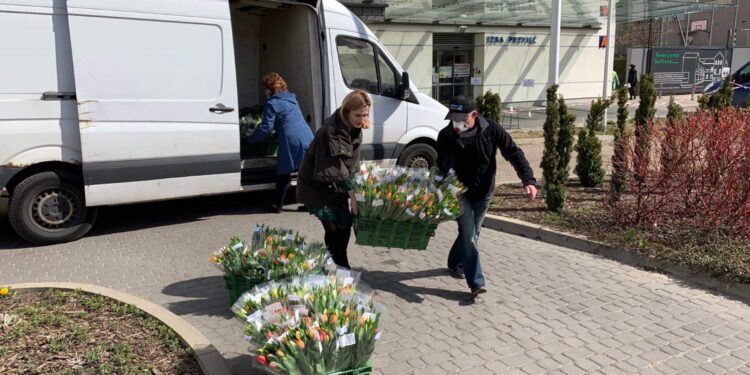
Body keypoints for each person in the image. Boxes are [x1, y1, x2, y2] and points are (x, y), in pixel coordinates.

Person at [437, 95, 537, 297]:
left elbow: (513, 152)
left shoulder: (491, 129)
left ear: (474, 115)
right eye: (453, 119)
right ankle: (476, 282)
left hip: (484, 191)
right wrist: (437, 186)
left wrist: (528, 180)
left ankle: (455, 261)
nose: (456, 124)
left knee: (473, 232)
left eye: (461, 119)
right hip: (459, 192)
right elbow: (442, 165)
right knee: (469, 233)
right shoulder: (446, 135)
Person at [296, 90, 371, 269]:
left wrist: (355, 187)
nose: (361, 119)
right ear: (347, 111)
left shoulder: (356, 128)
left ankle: (338, 263)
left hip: (336, 184)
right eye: (358, 115)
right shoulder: (330, 131)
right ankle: (341, 267)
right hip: (316, 185)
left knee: (344, 225)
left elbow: (351, 163)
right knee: (332, 228)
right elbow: (335, 167)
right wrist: (352, 195)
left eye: (365, 115)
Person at [246, 73, 314, 213]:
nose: (264, 92)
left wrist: (250, 139)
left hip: (291, 139)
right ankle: (308, 204)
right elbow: (288, 118)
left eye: (265, 88)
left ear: (271, 89)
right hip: (307, 135)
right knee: (304, 171)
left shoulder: (272, 103)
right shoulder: (292, 99)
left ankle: (277, 205)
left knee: (284, 172)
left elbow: (266, 128)